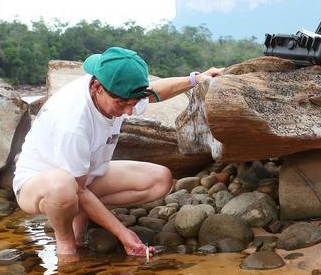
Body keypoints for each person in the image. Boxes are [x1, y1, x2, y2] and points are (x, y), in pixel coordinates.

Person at [13, 47, 222, 261]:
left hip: (84, 177)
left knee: (160, 180)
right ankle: (65, 241)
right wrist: (124, 235)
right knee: (63, 186)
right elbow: (78, 189)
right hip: (37, 184)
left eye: (132, 103)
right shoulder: (72, 121)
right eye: (122, 104)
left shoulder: (116, 88)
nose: (129, 112)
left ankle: (80, 212)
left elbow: (154, 91)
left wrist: (196, 79)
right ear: (97, 87)